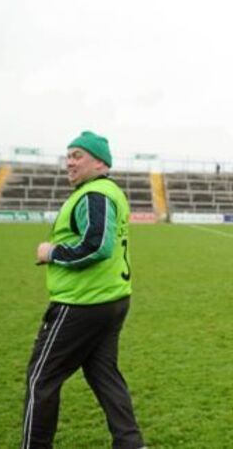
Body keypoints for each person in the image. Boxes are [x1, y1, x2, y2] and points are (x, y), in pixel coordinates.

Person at [22, 131, 144, 449]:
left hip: (82, 303)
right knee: (103, 374)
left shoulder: (95, 194)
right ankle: (131, 443)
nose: (70, 162)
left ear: (100, 163)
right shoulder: (104, 192)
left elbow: (97, 246)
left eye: (78, 155)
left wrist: (51, 253)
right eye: (68, 156)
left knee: (41, 378)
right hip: (110, 299)